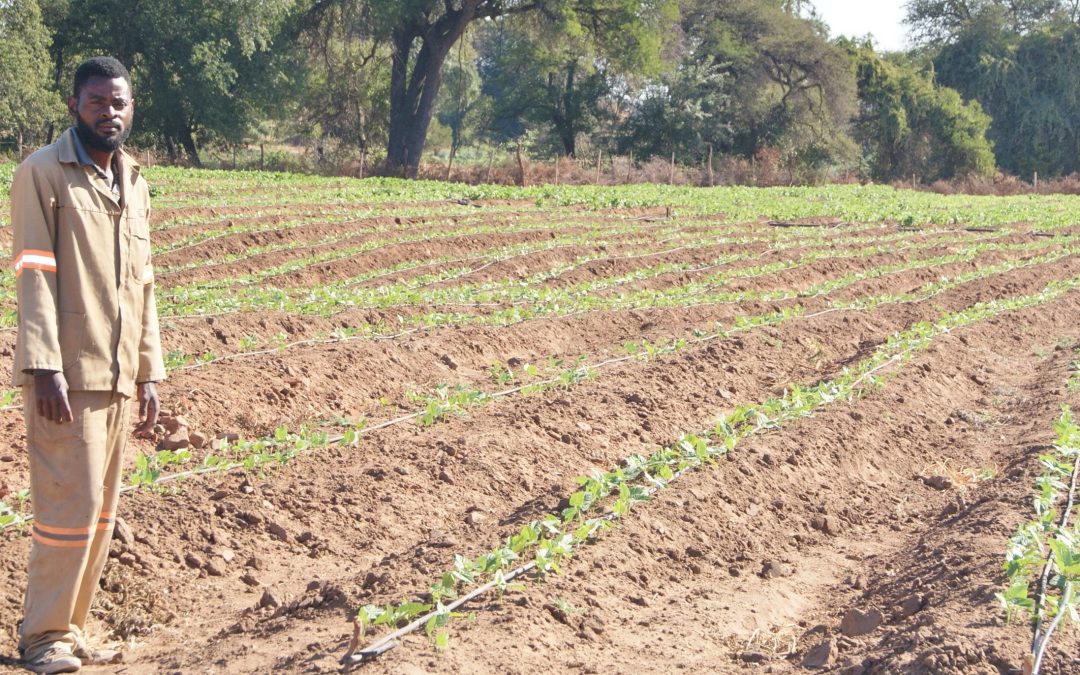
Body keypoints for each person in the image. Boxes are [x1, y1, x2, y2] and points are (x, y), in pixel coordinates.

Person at [10, 56, 165, 674]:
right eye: (98, 101)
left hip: (120, 373)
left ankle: (72, 630)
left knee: (101, 514)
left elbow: (144, 284)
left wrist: (150, 368)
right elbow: (33, 273)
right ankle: (42, 637)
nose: (110, 112)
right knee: (65, 511)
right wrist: (43, 365)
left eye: (119, 102)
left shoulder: (134, 180)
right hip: (67, 378)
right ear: (75, 105)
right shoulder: (43, 173)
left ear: (132, 108)